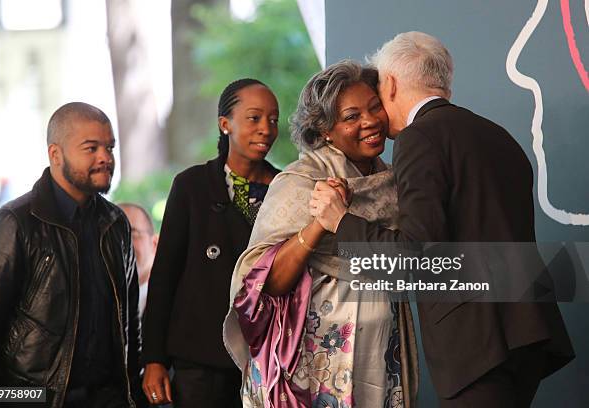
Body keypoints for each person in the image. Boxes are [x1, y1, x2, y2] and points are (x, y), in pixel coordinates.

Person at [310, 32, 575, 407]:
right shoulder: (497, 135)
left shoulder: (420, 139)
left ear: (391, 84)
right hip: (530, 334)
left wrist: (341, 221)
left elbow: (416, 261)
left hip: (477, 345)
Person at [223, 60, 418, 408]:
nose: (370, 121)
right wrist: (321, 223)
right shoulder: (300, 181)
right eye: (352, 117)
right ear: (325, 129)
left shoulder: (395, 182)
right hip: (310, 367)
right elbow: (265, 280)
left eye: (375, 108)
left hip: (379, 357)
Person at [0, 102, 143, 407]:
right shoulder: (14, 224)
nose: (105, 157)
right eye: (91, 148)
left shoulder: (116, 224)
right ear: (55, 154)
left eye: (110, 147)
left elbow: (129, 326)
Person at [142, 78, 280, 407]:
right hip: (200, 366)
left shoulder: (284, 189)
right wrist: (154, 360)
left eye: (273, 120)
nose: (265, 129)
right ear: (225, 124)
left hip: (265, 360)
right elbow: (164, 278)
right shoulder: (191, 187)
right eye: (254, 118)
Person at [119, 203, 159, 320]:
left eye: (132, 233)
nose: (120, 243)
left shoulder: (177, 301)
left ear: (154, 244)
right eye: (112, 235)